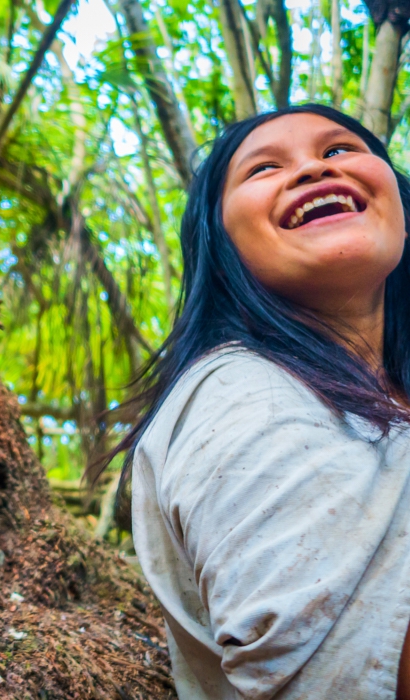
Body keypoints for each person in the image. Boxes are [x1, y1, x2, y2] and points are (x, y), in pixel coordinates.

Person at [122, 104, 410, 698]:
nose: (312, 170)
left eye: (338, 151)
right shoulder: (239, 394)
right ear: (221, 246)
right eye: (263, 169)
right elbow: (343, 676)